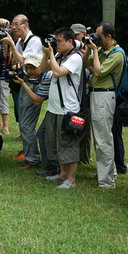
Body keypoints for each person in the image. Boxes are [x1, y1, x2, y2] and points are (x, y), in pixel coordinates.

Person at [83, 22, 124, 189]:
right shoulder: (101, 50)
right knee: (101, 137)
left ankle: (107, 181)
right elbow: (87, 64)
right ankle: (108, 172)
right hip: (96, 94)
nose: (95, 39)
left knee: (103, 139)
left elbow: (98, 72)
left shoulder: (117, 54)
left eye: (98, 36)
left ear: (109, 36)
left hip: (105, 95)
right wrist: (88, 49)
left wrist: (94, 51)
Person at [41, 27, 83, 189]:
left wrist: (51, 53)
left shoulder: (76, 57)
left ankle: (71, 180)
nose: (56, 44)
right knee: (56, 143)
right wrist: (47, 53)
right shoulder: (59, 56)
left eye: (59, 41)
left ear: (70, 41)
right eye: (55, 40)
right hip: (54, 108)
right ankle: (62, 174)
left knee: (68, 144)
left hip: (68, 109)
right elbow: (43, 69)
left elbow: (58, 73)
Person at [11, 53, 52, 169]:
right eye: (27, 68)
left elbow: (37, 101)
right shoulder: (29, 76)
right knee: (23, 126)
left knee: (27, 127)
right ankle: (29, 157)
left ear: (41, 67)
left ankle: (32, 160)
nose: (28, 71)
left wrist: (23, 84)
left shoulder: (42, 80)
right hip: (24, 102)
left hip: (33, 98)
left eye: (32, 68)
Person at [71, 23, 93, 166]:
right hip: (76, 94)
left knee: (85, 127)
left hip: (88, 93)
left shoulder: (91, 49)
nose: (73, 38)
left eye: (76, 35)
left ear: (84, 34)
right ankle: (76, 156)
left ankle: (83, 158)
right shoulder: (72, 51)